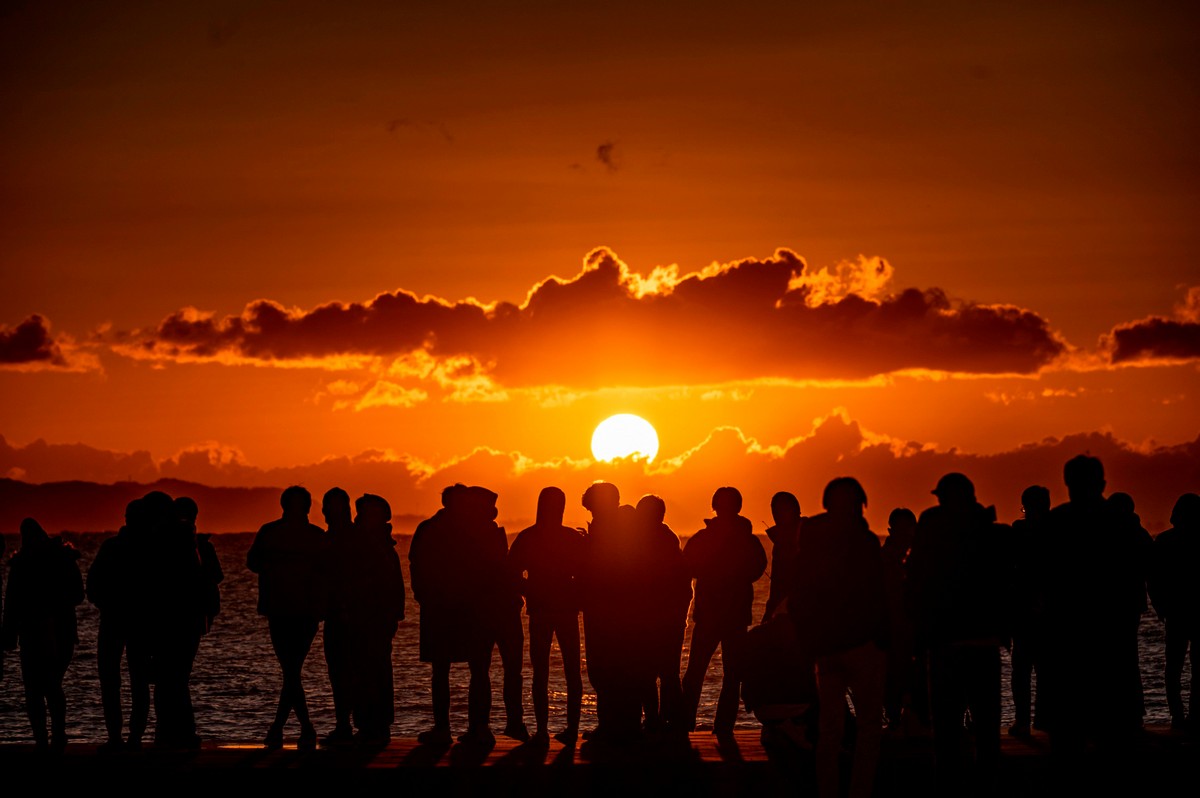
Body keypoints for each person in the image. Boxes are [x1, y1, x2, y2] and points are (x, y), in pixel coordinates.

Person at [907, 473, 1011, 796]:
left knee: (946, 731)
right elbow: (1004, 583)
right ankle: (986, 788)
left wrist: (917, 634)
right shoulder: (990, 531)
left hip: (944, 643)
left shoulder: (931, 527)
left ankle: (949, 789)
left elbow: (916, 583)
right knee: (986, 729)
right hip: (982, 641)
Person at [1041, 455, 1146, 771]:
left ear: (1067, 484)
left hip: (1066, 649)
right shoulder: (1123, 525)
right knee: (1116, 750)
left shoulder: (1054, 524)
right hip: (1112, 648)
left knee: (1066, 752)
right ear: (1101, 484)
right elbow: (1142, 573)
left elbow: (1037, 581)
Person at [789, 477, 888, 798]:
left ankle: (827, 791)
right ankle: (859, 790)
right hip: (860, 644)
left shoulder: (812, 538)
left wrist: (807, 640)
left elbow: (799, 592)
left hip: (825, 646)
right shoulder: (865, 541)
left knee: (829, 730)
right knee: (869, 726)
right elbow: (878, 593)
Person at [410, 484, 506, 747]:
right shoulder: (468, 530)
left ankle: (452, 728)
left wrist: (424, 597)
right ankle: (475, 727)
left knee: (448, 670)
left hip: (449, 609)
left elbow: (416, 566)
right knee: (474, 669)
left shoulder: (430, 529)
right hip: (461, 609)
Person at [680, 487, 767, 737]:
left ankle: (687, 724)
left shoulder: (705, 538)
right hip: (730, 615)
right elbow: (758, 568)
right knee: (728, 675)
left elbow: (688, 565)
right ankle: (721, 728)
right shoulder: (747, 539)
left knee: (700, 672)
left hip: (717, 615)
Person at [246, 486, 328, 750]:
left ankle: (287, 728)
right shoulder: (308, 535)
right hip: (285, 610)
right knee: (291, 670)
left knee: (291, 670)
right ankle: (298, 728)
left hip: (297, 610)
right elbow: (254, 562)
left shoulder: (276, 533)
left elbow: (254, 562)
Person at [508, 487, 587, 745]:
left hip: (547, 609)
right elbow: (512, 573)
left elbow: (511, 573)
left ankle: (545, 730)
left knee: (546, 671)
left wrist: (528, 588)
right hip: (554, 609)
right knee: (565, 670)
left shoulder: (529, 537)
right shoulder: (569, 538)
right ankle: (563, 729)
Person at [1, 518, 84, 753]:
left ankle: (44, 738)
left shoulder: (21, 564)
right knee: (51, 685)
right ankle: (56, 735)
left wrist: (8, 635)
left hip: (35, 633)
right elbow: (78, 595)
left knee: (35, 688)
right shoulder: (64, 559)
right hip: (60, 632)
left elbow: (12, 603)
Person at [334, 493, 405, 744]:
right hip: (368, 617)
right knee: (369, 671)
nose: (358, 517)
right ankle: (372, 724)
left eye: (364, 513)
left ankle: (373, 725)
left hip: (372, 618)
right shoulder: (378, 544)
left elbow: (386, 584)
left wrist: (392, 614)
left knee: (372, 671)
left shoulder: (375, 545)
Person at [86, 498, 146, 753]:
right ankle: (131, 736)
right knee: (137, 680)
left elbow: (93, 583)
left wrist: (104, 603)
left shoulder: (112, 546)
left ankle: (118, 736)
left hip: (114, 618)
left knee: (112, 679)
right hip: (138, 620)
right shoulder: (148, 548)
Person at [635, 494, 692, 735]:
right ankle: (668, 721)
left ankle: (658, 720)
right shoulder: (669, 542)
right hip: (668, 618)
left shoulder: (652, 543)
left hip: (658, 619)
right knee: (667, 672)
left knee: (653, 672)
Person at [1148, 493, 1200, 733]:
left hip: (1176, 612)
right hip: (1191, 611)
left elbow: (1154, 580)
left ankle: (1177, 715)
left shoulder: (1164, 541)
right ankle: (1194, 714)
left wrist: (1161, 607)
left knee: (1174, 667)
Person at [1008, 485, 1051, 736]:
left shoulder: (1018, 530)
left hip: (1023, 608)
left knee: (1022, 668)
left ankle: (1023, 721)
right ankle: (1043, 719)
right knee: (1046, 668)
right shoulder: (1057, 531)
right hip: (1048, 608)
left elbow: (1010, 568)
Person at [881, 507, 921, 732]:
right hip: (893, 627)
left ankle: (908, 717)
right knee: (894, 677)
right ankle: (896, 718)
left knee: (910, 676)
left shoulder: (919, 558)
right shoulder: (884, 559)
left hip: (912, 627)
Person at [320, 487, 355, 745]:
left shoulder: (339, 539)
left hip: (345, 615)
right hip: (338, 614)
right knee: (341, 671)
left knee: (344, 671)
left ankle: (346, 724)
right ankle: (346, 723)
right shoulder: (332, 538)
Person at [762, 492, 803, 623]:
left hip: (797, 608)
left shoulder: (806, 536)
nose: (776, 515)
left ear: (795, 510)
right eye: (774, 511)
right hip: (778, 605)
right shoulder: (780, 539)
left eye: (782, 510)